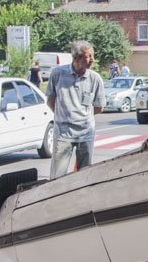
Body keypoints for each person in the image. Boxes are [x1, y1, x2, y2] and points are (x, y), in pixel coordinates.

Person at [45, 40, 105, 179]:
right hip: (63, 134)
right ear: (76, 58)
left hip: (86, 133)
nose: (92, 60)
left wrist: (83, 116)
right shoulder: (58, 74)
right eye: (88, 56)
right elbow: (50, 100)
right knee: (58, 176)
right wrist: (64, 115)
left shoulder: (95, 78)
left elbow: (99, 107)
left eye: (92, 56)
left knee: (84, 176)